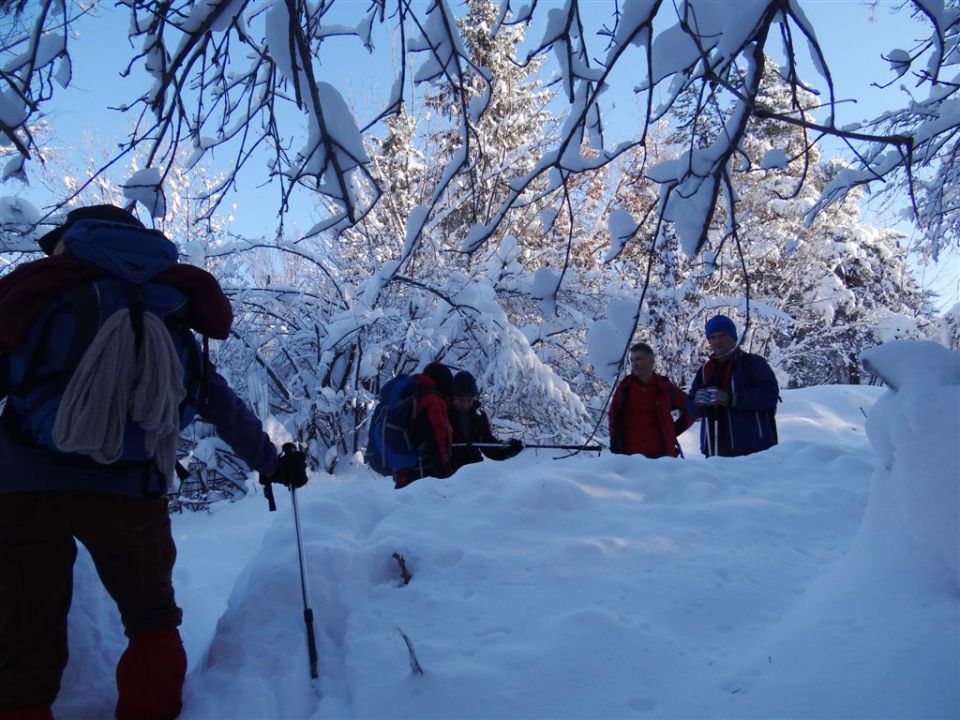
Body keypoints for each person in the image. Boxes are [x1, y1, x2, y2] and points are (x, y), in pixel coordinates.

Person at [0, 204, 307, 720]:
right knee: (152, 620)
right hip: (131, 490)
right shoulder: (168, 306)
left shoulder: (41, 293)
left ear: (70, 241)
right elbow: (219, 402)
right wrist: (272, 463)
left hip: (25, 489)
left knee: (24, 633)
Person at [685, 314, 780, 457]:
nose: (717, 341)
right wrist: (697, 404)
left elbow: (770, 395)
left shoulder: (752, 363)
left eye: (722, 335)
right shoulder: (705, 371)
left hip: (754, 451)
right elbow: (690, 405)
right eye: (712, 337)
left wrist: (732, 399)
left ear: (733, 337)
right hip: (714, 450)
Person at [608, 342, 695, 458]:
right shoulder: (625, 388)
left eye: (638, 359)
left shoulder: (664, 387)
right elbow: (613, 415)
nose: (634, 364)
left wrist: (674, 430)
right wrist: (614, 441)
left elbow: (692, 408)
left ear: (651, 361)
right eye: (632, 360)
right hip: (631, 457)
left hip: (662, 457)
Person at [393, 362, 455, 490]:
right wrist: (447, 477)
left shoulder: (417, 394)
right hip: (421, 476)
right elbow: (436, 441)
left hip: (404, 474)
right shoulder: (433, 401)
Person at [448, 370, 523, 472]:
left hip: (474, 470)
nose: (465, 404)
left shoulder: (479, 416)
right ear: (453, 397)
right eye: (461, 400)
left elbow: (487, 444)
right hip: (449, 473)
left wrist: (506, 450)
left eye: (469, 400)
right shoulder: (444, 415)